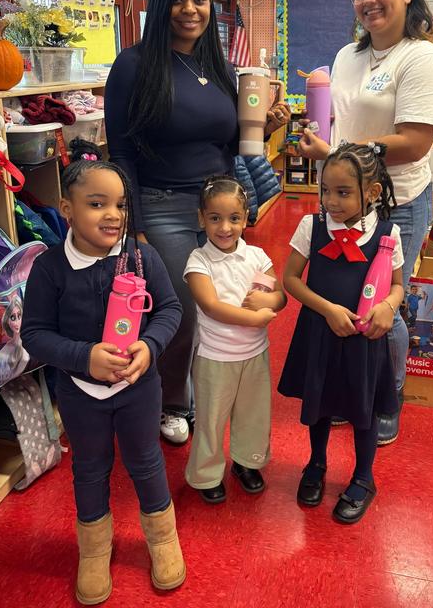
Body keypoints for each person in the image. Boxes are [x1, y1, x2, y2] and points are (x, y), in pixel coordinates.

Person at [105, 0, 290, 445]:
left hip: (219, 209)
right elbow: (121, 150)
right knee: (183, 312)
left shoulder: (219, 68)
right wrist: (134, 224)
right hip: (161, 206)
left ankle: (208, 392)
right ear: (162, 2)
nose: (191, 9)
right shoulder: (135, 65)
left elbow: (226, 145)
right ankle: (173, 402)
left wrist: (263, 129)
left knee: (224, 302)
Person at [298, 0, 433, 444]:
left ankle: (387, 397)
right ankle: (351, 390)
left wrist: (343, 150)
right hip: (344, 201)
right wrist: (317, 139)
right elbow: (341, 120)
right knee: (345, 299)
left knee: (385, 307)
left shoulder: (423, 58)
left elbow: (415, 143)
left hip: (397, 201)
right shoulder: (347, 56)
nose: (368, 0)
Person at [21, 160, 186, 605]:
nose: (112, 214)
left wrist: (149, 346)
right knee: (89, 469)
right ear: (67, 209)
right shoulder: (49, 268)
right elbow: (33, 334)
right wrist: (83, 357)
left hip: (139, 387)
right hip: (80, 393)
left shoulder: (142, 256)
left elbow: (170, 310)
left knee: (146, 461)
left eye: (119, 205)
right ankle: (93, 549)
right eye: (97, 204)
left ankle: (162, 537)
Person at [278, 142, 404, 524]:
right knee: (319, 403)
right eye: (326, 191)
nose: (331, 201)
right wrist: (327, 309)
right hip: (320, 330)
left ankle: (364, 477)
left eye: (343, 192)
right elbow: (290, 280)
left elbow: (398, 285)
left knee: (363, 409)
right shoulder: (311, 227)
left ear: (373, 193)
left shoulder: (387, 232)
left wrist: (388, 307)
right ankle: (316, 464)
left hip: (365, 341)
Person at [183, 175, 286, 503]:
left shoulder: (256, 256)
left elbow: (278, 294)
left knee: (253, 414)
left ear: (246, 217)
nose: (225, 227)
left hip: (255, 354)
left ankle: (247, 462)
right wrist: (255, 318)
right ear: (202, 218)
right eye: (215, 218)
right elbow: (212, 306)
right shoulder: (199, 261)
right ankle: (206, 474)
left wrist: (269, 302)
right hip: (216, 358)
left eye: (234, 218)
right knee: (210, 421)